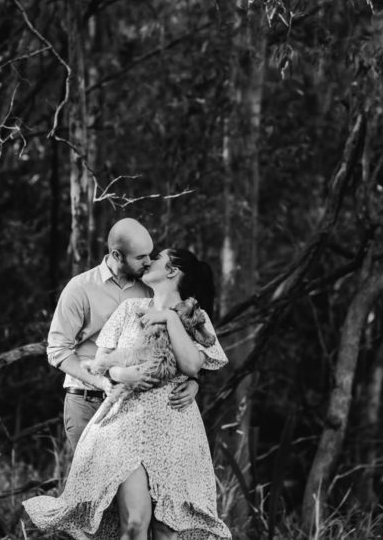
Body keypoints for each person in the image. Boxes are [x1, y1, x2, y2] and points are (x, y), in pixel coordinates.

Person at [25, 248, 231, 540]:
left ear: (172, 271)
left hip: (176, 428)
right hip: (127, 425)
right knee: (134, 522)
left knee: (167, 531)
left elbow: (192, 365)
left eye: (157, 258)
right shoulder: (129, 309)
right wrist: (125, 375)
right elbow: (102, 364)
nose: (149, 261)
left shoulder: (196, 316)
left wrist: (170, 319)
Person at [47, 218, 200, 449]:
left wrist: (193, 381)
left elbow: (176, 339)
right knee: (89, 473)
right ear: (117, 255)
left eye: (150, 255)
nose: (148, 262)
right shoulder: (80, 288)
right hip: (88, 401)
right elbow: (57, 350)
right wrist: (103, 382)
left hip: (135, 405)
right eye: (140, 257)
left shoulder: (151, 287)